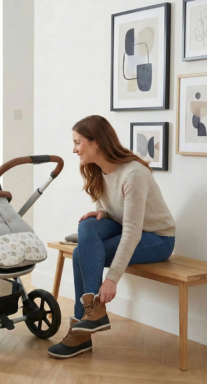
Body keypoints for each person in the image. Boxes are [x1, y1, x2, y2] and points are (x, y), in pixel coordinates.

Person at [48, 115, 175, 359]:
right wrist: (102, 212)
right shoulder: (95, 169)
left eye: (77, 142)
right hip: (123, 226)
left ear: (96, 142)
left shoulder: (134, 173)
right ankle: (93, 312)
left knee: (80, 254)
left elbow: (132, 231)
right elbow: (112, 207)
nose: (74, 149)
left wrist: (112, 279)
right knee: (87, 226)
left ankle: (82, 330)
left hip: (157, 238)